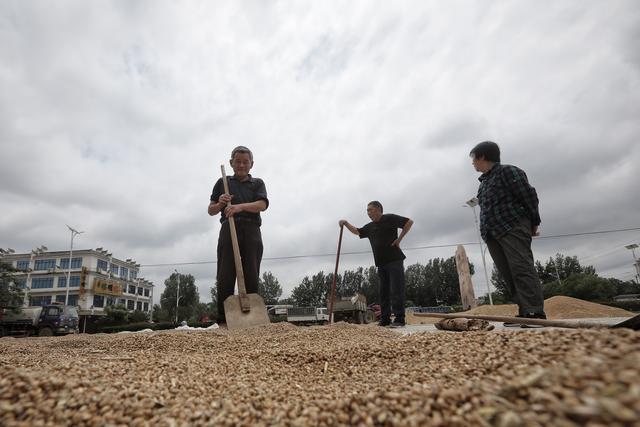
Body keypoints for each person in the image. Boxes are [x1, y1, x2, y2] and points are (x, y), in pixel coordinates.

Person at [469, 141, 546, 327]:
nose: (473, 164)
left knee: (521, 268)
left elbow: (529, 196)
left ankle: (535, 313)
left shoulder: (509, 172)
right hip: (492, 233)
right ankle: (524, 311)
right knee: (508, 273)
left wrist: (534, 222)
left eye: (473, 159)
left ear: (482, 157)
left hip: (512, 226)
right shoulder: (483, 184)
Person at [208, 146, 268, 325]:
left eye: (245, 162)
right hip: (229, 228)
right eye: (238, 161)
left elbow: (262, 205)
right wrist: (220, 203)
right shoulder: (222, 182)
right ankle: (223, 320)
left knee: (251, 271)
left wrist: (239, 207)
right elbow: (211, 210)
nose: (241, 165)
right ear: (231, 163)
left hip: (251, 230)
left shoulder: (257, 183)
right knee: (225, 273)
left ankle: (252, 320)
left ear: (251, 164)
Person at [339, 202, 413, 327]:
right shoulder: (370, 227)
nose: (368, 213)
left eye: (370, 210)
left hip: (394, 260)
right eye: (367, 211)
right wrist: (346, 223)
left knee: (396, 290)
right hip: (381, 263)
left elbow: (409, 222)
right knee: (383, 292)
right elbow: (357, 231)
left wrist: (399, 239)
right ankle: (385, 319)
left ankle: (400, 319)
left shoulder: (389, 218)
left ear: (378, 209)